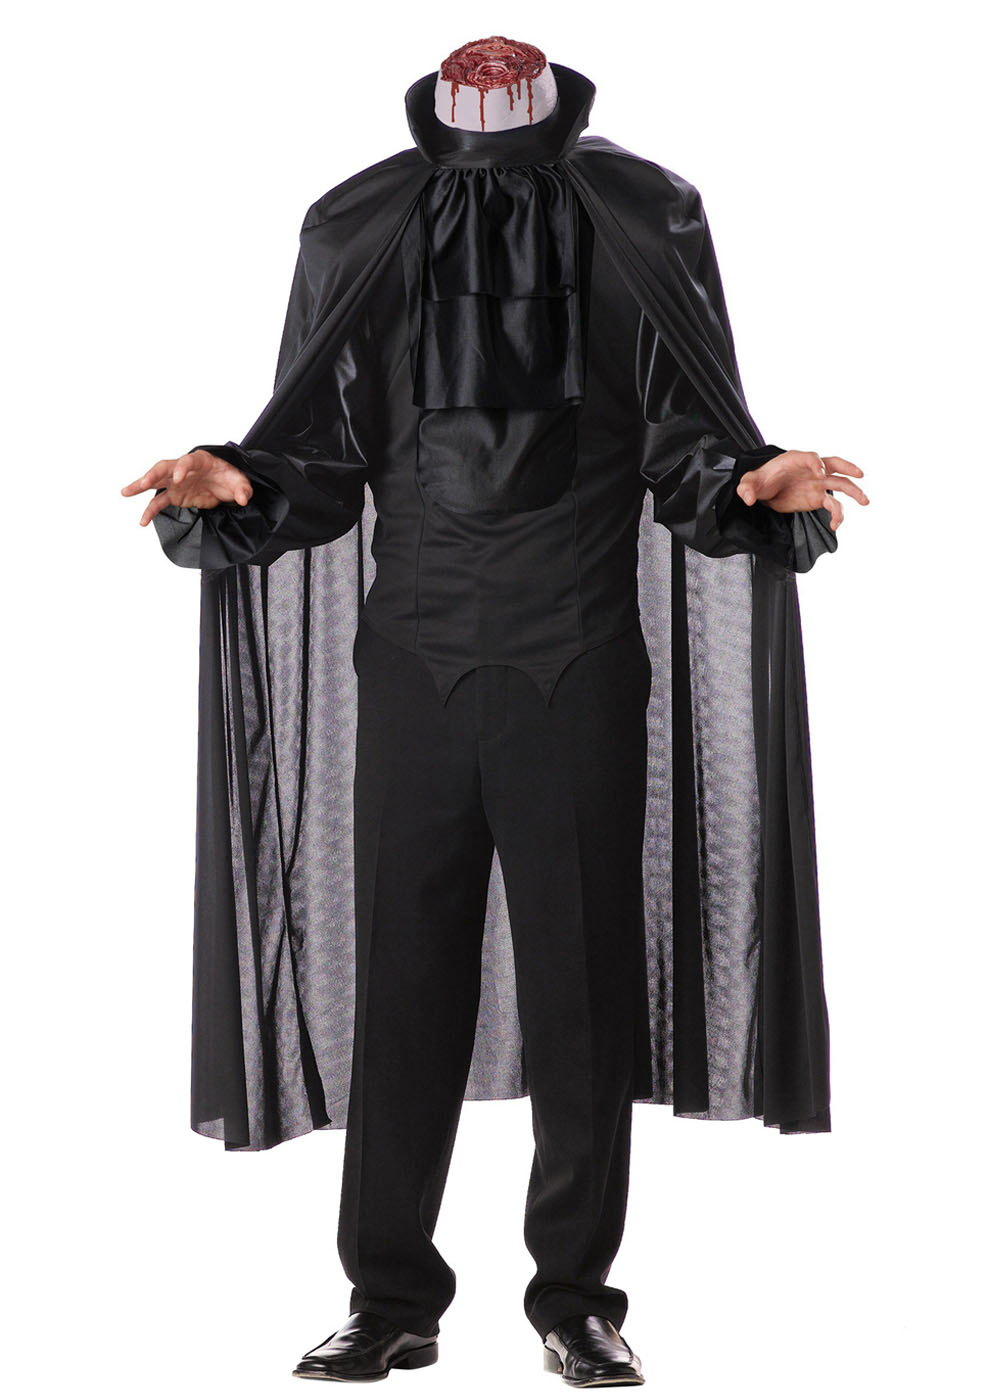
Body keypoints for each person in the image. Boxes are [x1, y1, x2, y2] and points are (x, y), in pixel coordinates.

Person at [121, 36, 867, 1388]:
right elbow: (324, 455)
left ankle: (574, 1299)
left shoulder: (644, 214)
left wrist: (749, 481)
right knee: (403, 989)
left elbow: (684, 439)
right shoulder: (358, 223)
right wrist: (241, 475)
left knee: (586, 996)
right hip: (416, 667)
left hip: (578, 662)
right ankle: (390, 1297)